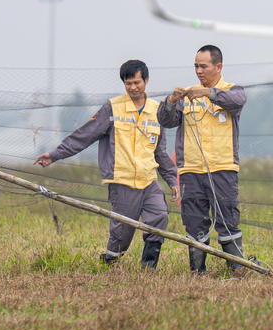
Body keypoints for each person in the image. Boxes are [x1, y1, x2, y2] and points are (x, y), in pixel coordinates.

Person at [34, 59, 177, 268]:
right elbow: (85, 135)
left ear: (146, 81)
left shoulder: (157, 111)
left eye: (137, 83)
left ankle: (148, 268)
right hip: (122, 180)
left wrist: (172, 180)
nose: (133, 88)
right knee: (122, 233)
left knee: (159, 217)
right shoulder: (112, 108)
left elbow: (161, 152)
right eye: (128, 84)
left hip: (149, 180)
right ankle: (109, 263)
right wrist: (55, 154)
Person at [158, 44, 247, 274]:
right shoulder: (187, 95)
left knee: (227, 220)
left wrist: (208, 93)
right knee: (194, 223)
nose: (198, 71)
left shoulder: (231, 90)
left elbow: (238, 101)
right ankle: (197, 272)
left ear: (218, 66)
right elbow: (166, 120)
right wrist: (170, 101)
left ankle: (236, 268)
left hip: (223, 168)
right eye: (196, 66)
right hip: (191, 170)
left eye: (203, 66)